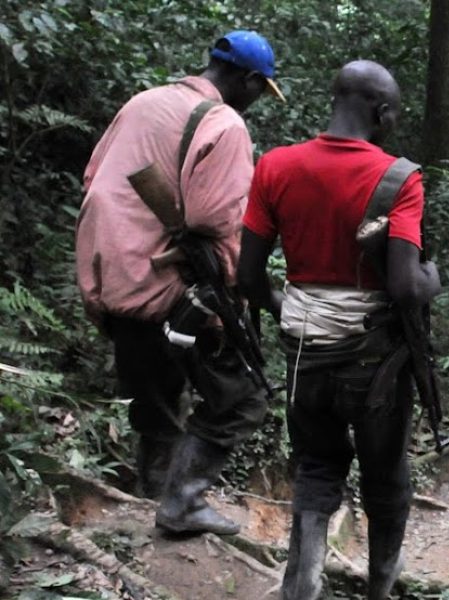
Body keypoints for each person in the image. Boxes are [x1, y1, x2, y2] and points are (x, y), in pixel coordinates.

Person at [237, 60, 441, 600]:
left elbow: (247, 276)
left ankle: (302, 584)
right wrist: (432, 280)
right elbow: (403, 286)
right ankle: (378, 589)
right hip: (376, 365)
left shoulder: (276, 167)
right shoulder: (400, 178)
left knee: (317, 464)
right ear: (383, 111)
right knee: (386, 478)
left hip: (305, 352)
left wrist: (290, 306)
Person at [75, 31, 284, 535]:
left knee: (156, 401)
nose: (258, 100)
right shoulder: (223, 123)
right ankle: (182, 504)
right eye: (261, 89)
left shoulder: (144, 101)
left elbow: (93, 176)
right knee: (242, 399)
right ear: (248, 79)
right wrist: (241, 288)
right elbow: (217, 216)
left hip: (114, 279)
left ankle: (152, 501)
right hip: (172, 286)